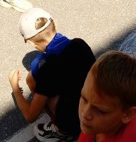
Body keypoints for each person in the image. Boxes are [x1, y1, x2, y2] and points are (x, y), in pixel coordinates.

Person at [8, 8, 95, 142]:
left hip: (76, 121)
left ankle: (62, 131)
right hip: (95, 111)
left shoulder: (47, 68)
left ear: (31, 42)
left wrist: (15, 88)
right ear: (55, 23)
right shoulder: (80, 44)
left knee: (32, 79)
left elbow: (30, 116)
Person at [78, 51, 136, 142]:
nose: (85, 114)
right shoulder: (99, 126)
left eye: (100, 111)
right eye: (84, 98)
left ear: (128, 114)